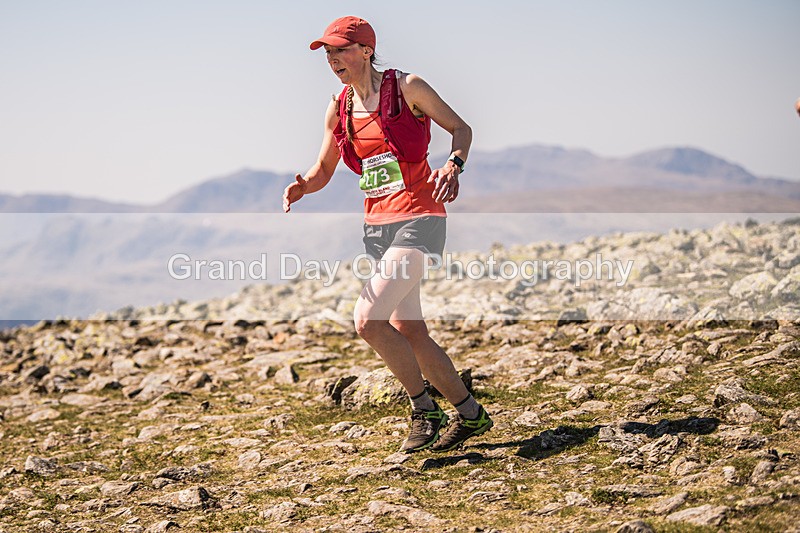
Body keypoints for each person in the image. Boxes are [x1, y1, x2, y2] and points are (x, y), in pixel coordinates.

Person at [282, 16, 492, 453]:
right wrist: (303, 185)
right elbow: (324, 169)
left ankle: (423, 408)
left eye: (340, 50)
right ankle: (471, 414)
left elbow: (461, 129)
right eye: (327, 53)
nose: (333, 59)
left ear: (366, 51)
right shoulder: (338, 107)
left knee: (368, 320)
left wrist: (454, 165)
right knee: (408, 327)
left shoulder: (408, 87)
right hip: (378, 226)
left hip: (420, 216)